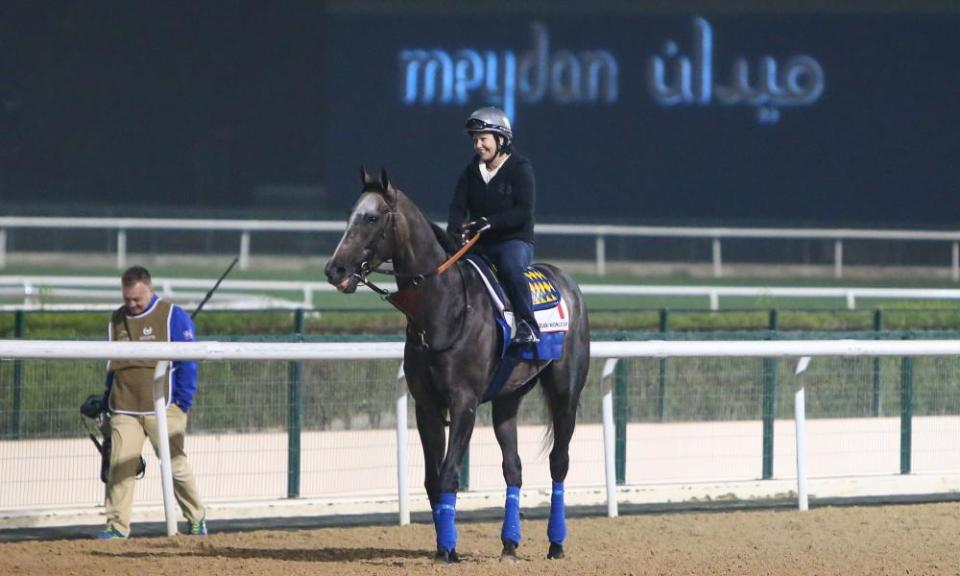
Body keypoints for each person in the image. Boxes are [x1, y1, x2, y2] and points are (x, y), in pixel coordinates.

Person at [96, 265, 206, 539]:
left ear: (150, 289)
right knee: (120, 467)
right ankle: (116, 526)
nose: (132, 305)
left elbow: (188, 362)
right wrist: (105, 401)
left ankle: (196, 517)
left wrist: (182, 401)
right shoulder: (116, 319)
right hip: (123, 407)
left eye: (137, 300)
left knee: (175, 465)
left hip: (165, 405)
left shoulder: (173, 315)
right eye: (127, 300)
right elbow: (113, 365)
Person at [447, 106, 540, 345]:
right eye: (475, 140)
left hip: (515, 241)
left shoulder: (521, 169)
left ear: (502, 139)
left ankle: (528, 325)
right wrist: (454, 233)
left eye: (483, 139)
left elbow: (523, 212)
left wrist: (491, 223)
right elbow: (457, 208)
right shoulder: (470, 171)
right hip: (481, 244)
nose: (478, 145)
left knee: (510, 268)